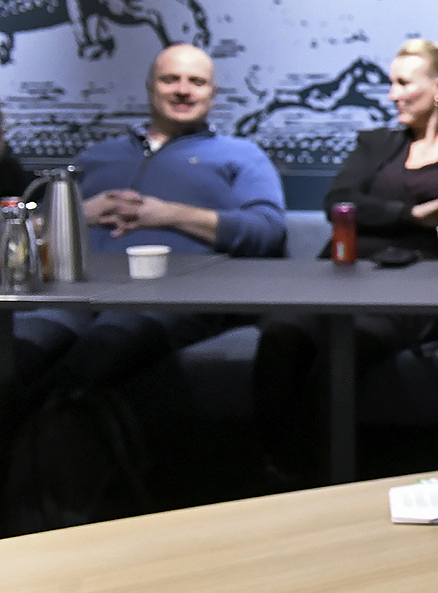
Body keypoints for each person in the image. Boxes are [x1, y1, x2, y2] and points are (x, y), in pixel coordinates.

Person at [249, 39, 438, 482]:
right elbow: (338, 202)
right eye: (390, 83)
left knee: (351, 344)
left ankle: (318, 478)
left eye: (402, 83)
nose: (391, 95)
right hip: (348, 274)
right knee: (282, 332)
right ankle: (269, 468)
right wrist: (410, 215)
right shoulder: (377, 142)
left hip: (427, 284)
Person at [7, 44, 285, 418]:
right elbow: (28, 227)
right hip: (73, 296)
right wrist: (79, 212)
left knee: (94, 359)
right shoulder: (96, 156)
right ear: (150, 87)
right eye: (171, 79)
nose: (183, 89)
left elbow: (268, 230)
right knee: (18, 356)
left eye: (196, 81)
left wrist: (169, 214)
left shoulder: (241, 156)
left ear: (212, 93)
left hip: (170, 299)